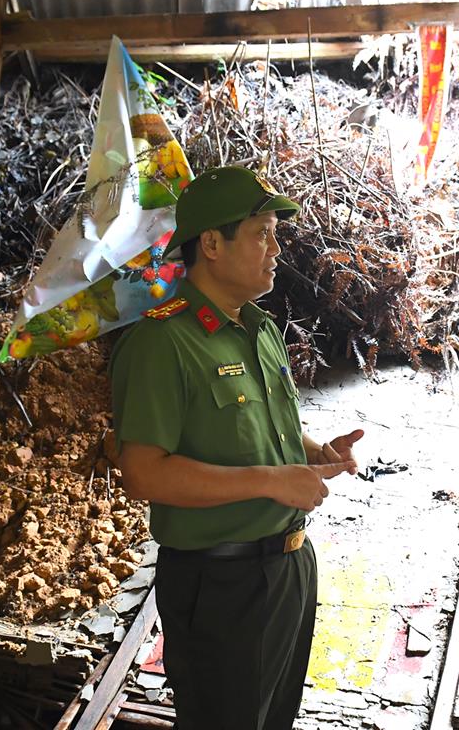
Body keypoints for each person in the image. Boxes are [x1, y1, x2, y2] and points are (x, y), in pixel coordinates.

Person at [109, 166, 364, 730]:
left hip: (289, 566)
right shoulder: (162, 342)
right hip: (220, 585)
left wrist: (318, 452)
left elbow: (266, 426)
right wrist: (272, 482)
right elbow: (144, 473)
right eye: (262, 233)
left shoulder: (258, 327)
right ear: (212, 245)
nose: (276, 248)